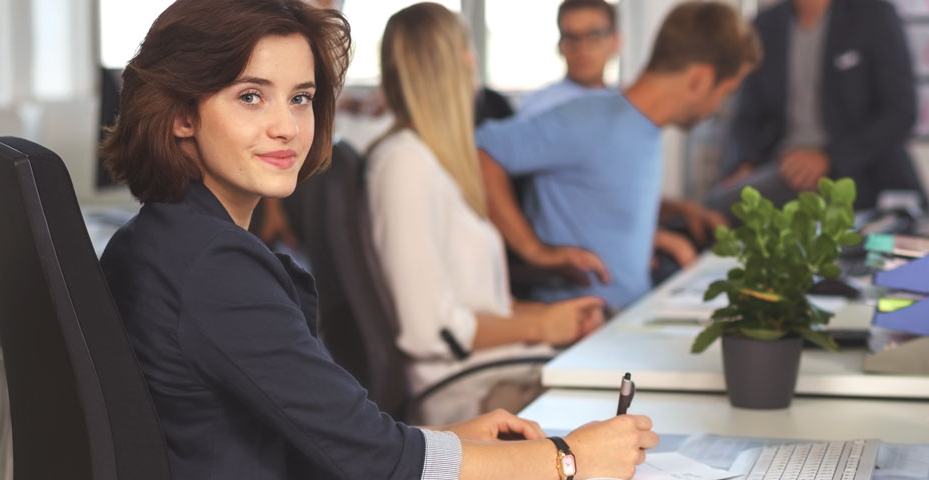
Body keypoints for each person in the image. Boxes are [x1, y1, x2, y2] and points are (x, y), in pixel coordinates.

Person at [97, 0, 655, 478]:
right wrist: (568, 459)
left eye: (300, 97)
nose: (288, 126)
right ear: (181, 115)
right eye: (251, 96)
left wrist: (457, 441)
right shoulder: (214, 266)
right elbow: (378, 463)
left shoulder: (163, 238)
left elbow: (338, 442)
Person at [367, 2, 605, 426]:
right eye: (467, 49)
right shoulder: (404, 164)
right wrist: (542, 327)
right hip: (464, 392)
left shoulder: (435, 162)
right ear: (452, 63)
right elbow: (430, 330)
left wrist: (555, 318)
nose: (473, 60)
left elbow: (476, 303)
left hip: (492, 370)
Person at [477, 1, 762, 309]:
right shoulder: (586, 120)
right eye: (727, 92)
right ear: (701, 80)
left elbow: (601, 199)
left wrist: (664, 225)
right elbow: (480, 150)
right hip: (589, 325)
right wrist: (533, 250)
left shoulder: (641, 125)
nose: (719, 107)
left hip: (636, 311)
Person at [710, 0, 925, 212]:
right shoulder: (766, 25)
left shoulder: (874, 15)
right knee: (715, 210)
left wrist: (829, 157)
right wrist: (743, 162)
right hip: (785, 168)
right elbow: (747, 114)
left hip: (860, 171)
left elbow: (901, 112)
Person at [516, 0, 620, 117]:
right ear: (560, 46)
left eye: (593, 36)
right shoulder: (539, 109)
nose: (582, 48)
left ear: (615, 41)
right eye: (571, 38)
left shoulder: (626, 105)